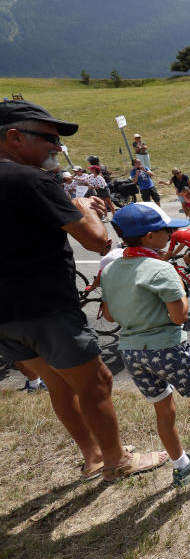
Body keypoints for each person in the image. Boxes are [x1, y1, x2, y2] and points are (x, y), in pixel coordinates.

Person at [0, 100, 167, 482]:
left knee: (59, 382)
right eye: (48, 139)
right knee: (96, 382)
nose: (56, 148)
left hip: (5, 314)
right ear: (13, 136)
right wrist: (82, 207)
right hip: (44, 305)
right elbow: (98, 242)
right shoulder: (31, 180)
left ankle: (92, 455)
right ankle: (115, 461)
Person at [101, 202, 190, 485]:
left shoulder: (110, 270)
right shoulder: (160, 269)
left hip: (131, 351)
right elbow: (179, 316)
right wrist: (181, 291)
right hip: (167, 346)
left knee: (162, 408)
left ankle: (181, 466)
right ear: (149, 236)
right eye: (165, 229)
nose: (170, 233)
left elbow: (108, 315)